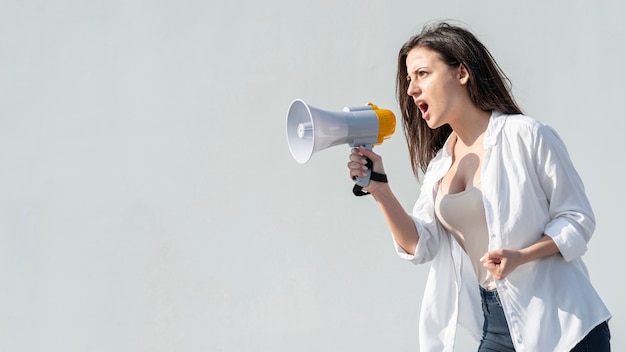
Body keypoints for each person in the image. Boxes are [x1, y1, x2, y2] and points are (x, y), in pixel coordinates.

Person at [347, 22, 611, 352]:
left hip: (563, 324)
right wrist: (380, 190)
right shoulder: (440, 166)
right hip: (498, 324)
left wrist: (522, 255)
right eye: (408, 79)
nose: (412, 89)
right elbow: (420, 245)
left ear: (462, 73)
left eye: (423, 74)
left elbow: (577, 219)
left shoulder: (526, 135)